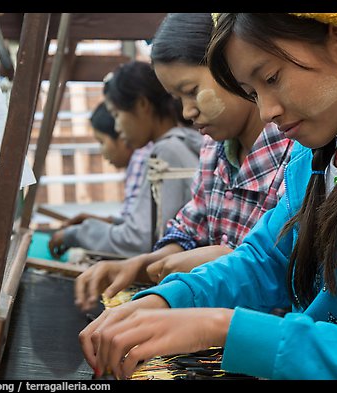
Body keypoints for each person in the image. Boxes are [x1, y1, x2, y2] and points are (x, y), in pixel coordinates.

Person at [79, 13, 337, 380]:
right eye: (252, 93)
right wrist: (170, 300)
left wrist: (217, 325)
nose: (267, 110)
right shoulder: (312, 161)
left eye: (271, 78)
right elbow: (265, 260)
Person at [73, 13, 295, 313]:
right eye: (177, 98)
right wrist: (144, 263)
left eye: (191, 92)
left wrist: (218, 258)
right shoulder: (212, 150)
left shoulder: (295, 155)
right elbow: (190, 228)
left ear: (234, 67)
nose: (187, 111)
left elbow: (286, 266)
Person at [51, 61, 202, 259]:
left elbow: (140, 240)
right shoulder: (182, 143)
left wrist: (75, 235)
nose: (117, 128)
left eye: (117, 114)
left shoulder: (167, 151)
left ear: (142, 105)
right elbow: (151, 225)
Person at [48, 101, 153, 258]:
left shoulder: (142, 158)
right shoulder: (142, 157)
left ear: (122, 135)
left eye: (102, 142)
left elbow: (136, 238)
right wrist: (98, 221)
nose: (102, 152)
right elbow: (135, 224)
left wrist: (77, 234)